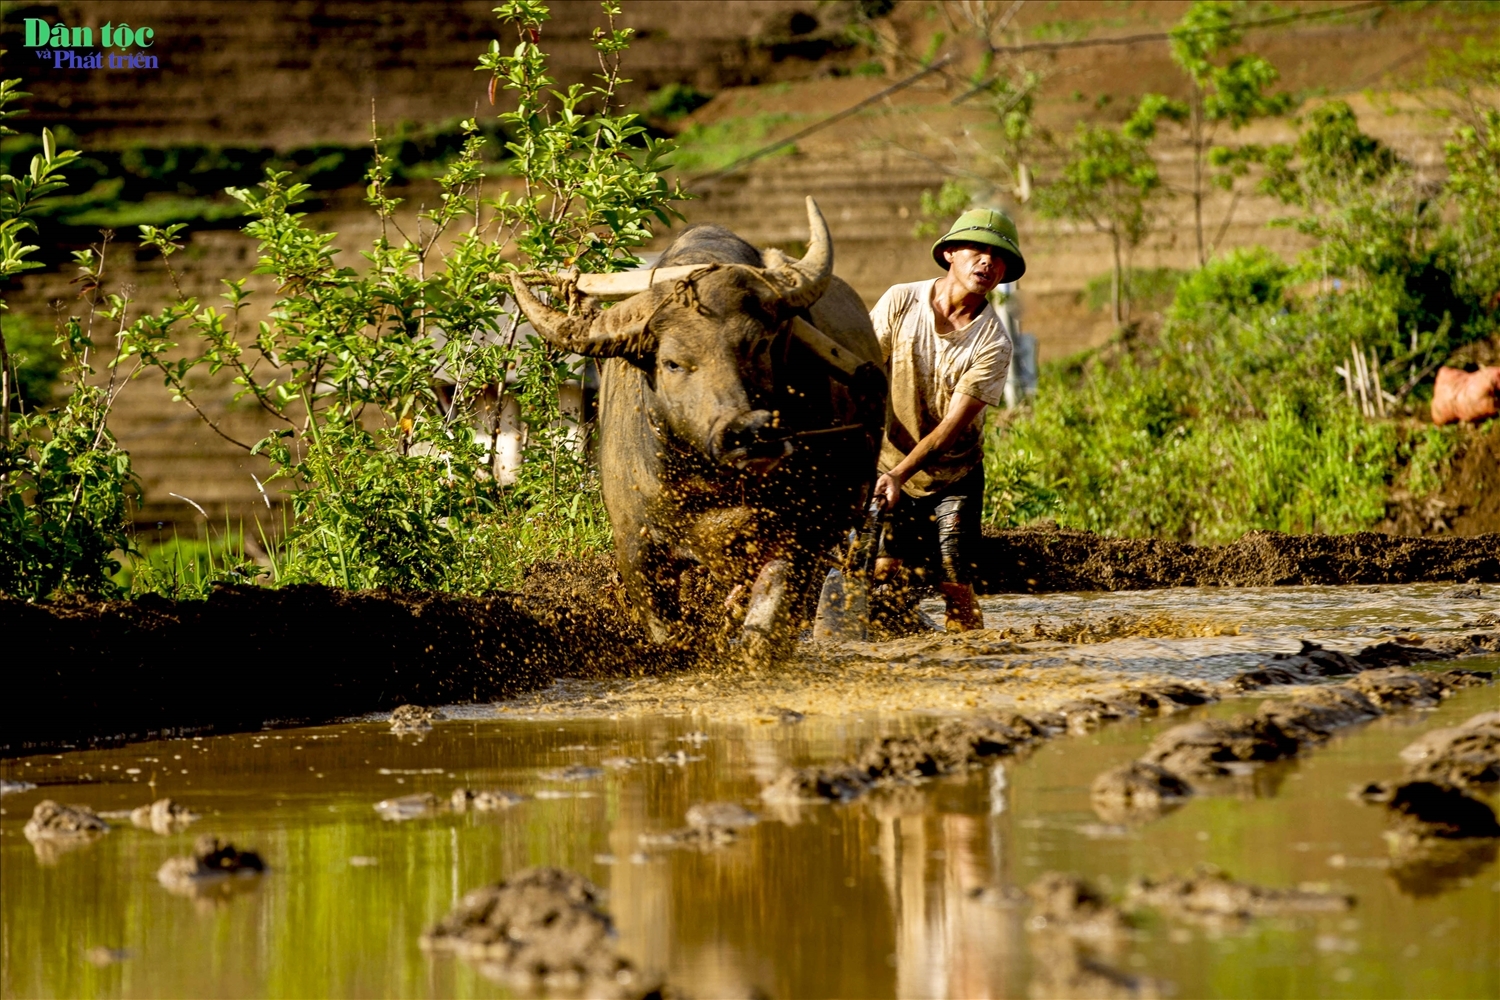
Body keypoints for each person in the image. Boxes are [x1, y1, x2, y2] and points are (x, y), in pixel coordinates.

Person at [869, 207, 1026, 632]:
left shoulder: (993, 341)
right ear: (950, 253)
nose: (988, 262)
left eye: (998, 257)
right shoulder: (901, 300)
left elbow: (948, 431)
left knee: (953, 576)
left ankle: (973, 656)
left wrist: (899, 475)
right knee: (881, 571)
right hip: (888, 463)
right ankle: (903, 644)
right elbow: (862, 375)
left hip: (953, 473)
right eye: (978, 249)